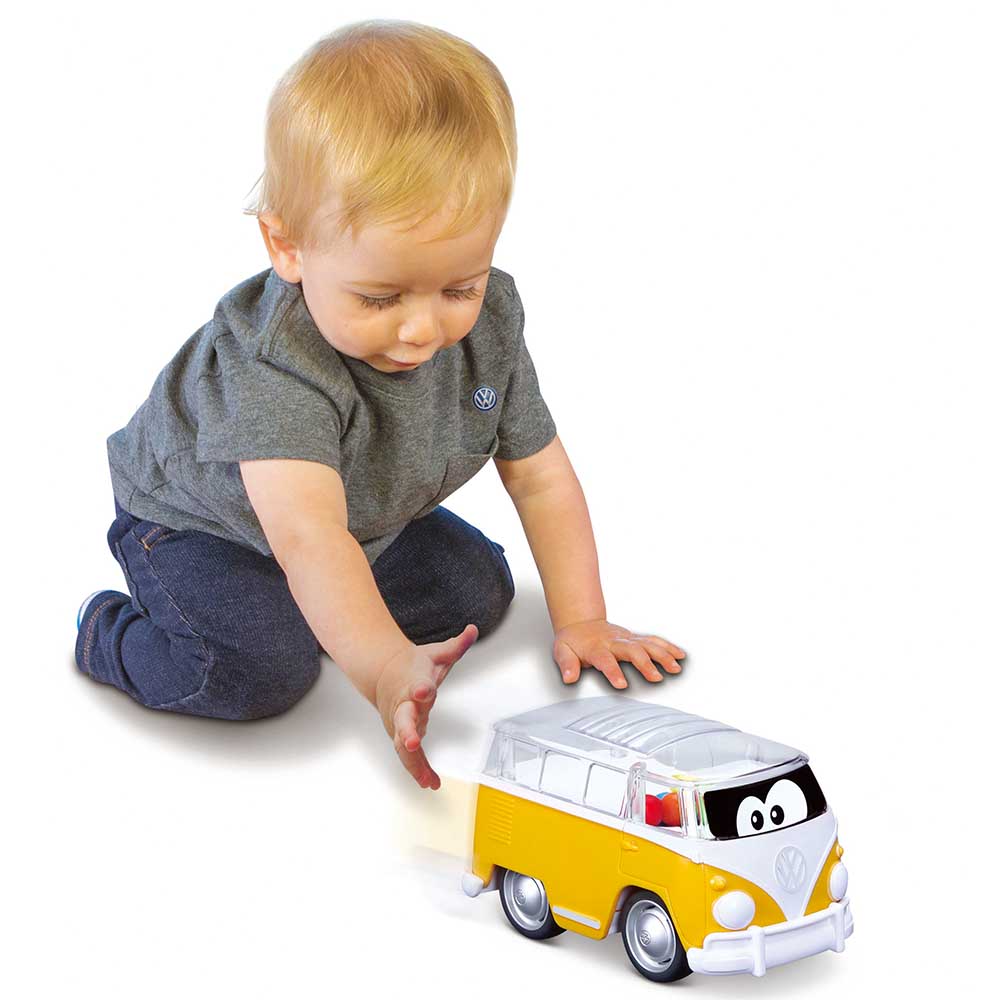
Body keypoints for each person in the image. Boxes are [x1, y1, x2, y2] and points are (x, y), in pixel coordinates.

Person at [75, 19, 687, 790]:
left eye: (459, 287)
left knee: (477, 593)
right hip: (203, 526)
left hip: (354, 515)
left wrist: (584, 619)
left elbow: (540, 478)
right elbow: (307, 534)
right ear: (288, 247)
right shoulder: (276, 366)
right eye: (380, 296)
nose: (423, 329)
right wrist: (383, 667)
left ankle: (326, 611)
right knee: (259, 673)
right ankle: (106, 633)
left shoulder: (491, 323)